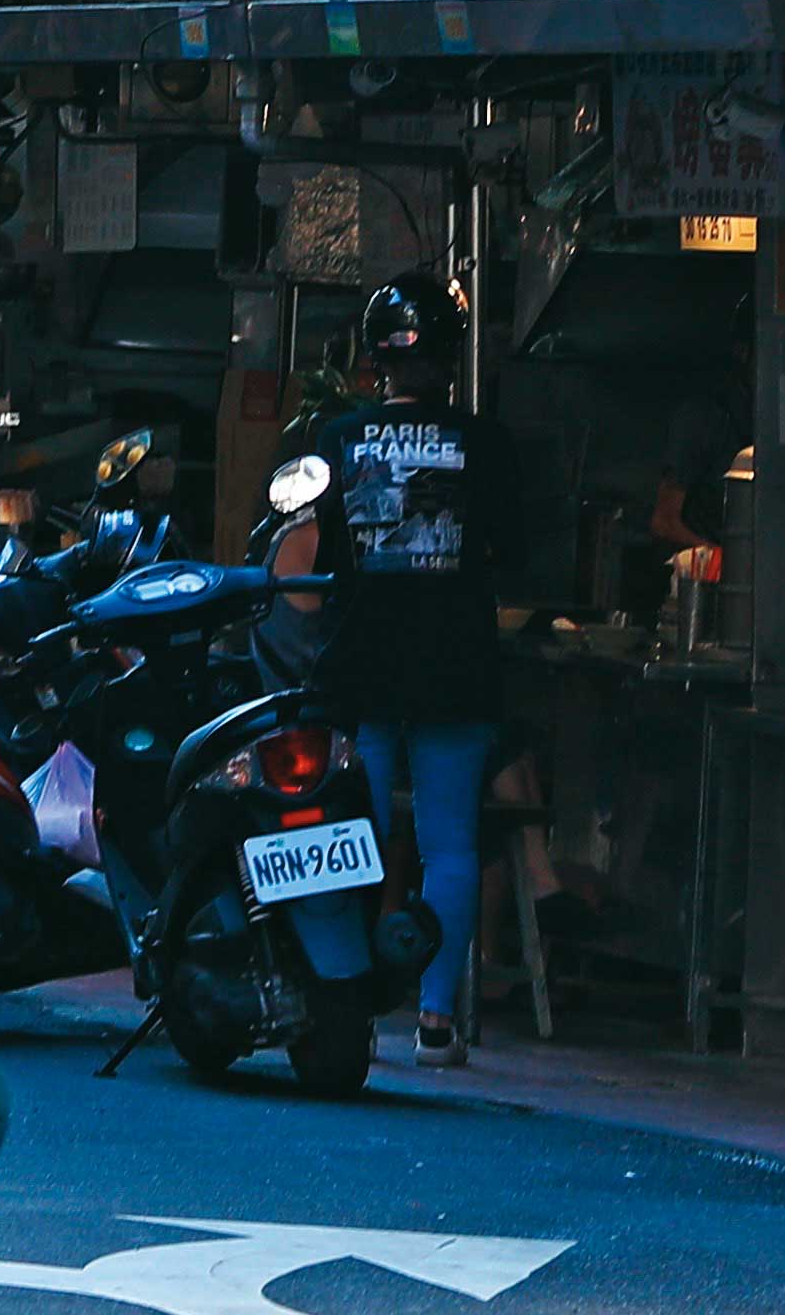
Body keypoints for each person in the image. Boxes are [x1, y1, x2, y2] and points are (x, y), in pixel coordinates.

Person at [275, 277, 499, 1064]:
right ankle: (435, 1022)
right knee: (449, 844)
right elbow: (515, 551)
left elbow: (307, 565)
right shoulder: (484, 442)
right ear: (449, 358)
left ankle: (353, 1009)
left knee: (352, 838)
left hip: (359, 667)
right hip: (455, 665)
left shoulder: (337, 440)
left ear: (374, 361)